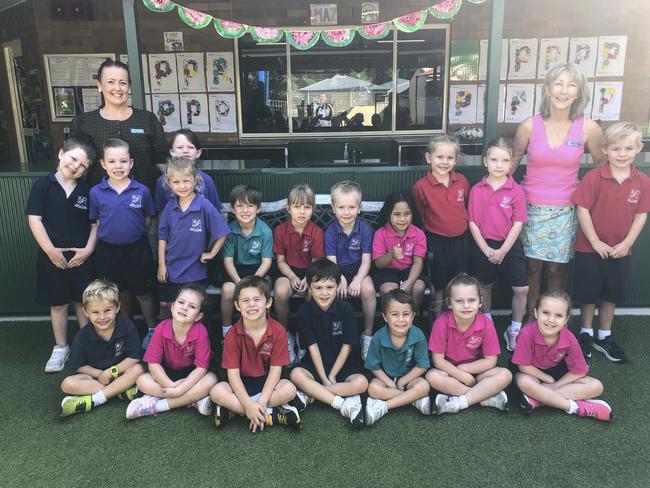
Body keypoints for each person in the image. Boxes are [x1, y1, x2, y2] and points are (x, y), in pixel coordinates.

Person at [512, 63, 605, 319]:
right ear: (547, 89)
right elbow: (511, 164)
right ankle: (530, 321)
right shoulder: (529, 126)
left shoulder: (588, 128)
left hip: (565, 210)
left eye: (571, 85)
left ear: (578, 93)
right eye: (558, 84)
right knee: (531, 268)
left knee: (556, 270)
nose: (564, 91)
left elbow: (602, 167)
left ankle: (553, 322)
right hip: (529, 208)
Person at [572, 122, 649, 362]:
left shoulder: (643, 181)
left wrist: (626, 244)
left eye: (628, 148)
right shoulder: (594, 177)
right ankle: (586, 333)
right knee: (588, 293)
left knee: (611, 294)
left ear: (638, 149)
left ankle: (604, 336)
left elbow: (641, 215)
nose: (622, 154)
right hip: (589, 248)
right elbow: (582, 210)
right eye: (616, 149)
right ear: (605, 149)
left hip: (620, 250)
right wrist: (594, 241)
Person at [26, 135, 98, 372]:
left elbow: (95, 225)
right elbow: (34, 220)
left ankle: (88, 345)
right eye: (73, 158)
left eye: (83, 165)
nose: (75, 166)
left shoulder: (88, 191)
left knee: (82, 303)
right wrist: (50, 250)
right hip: (51, 257)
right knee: (58, 304)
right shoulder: (42, 186)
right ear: (61, 153)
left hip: (81, 258)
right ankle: (60, 348)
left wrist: (88, 250)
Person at [210, 276, 301, 431]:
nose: (251, 304)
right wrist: (248, 405)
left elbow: (275, 371)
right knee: (216, 392)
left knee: (289, 390)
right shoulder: (232, 334)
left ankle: (236, 411)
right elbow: (233, 375)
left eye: (257, 299)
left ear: (268, 302)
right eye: (245, 301)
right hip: (241, 382)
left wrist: (263, 401)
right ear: (237, 306)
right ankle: (271, 415)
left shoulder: (278, 330)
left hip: (268, 382)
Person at [289, 259, 369, 427]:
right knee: (295, 375)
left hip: (341, 365)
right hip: (315, 365)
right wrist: (324, 377)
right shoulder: (304, 311)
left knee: (362, 382)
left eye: (330, 287)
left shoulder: (345, 308)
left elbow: (347, 346)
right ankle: (338, 401)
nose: (324, 293)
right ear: (310, 288)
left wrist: (332, 375)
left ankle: (312, 394)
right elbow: (312, 346)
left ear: (337, 286)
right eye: (318, 288)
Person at [89, 139, 157, 336]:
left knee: (143, 292)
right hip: (108, 251)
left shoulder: (142, 190)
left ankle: (152, 328)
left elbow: (147, 219)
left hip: (137, 249)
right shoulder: (96, 192)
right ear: (103, 164)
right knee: (117, 293)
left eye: (123, 161)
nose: (118, 166)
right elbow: (96, 221)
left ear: (131, 163)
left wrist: (131, 235)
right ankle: (125, 329)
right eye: (112, 161)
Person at [512, 290, 612, 421]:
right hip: (531, 373)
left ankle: (536, 399)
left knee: (596, 386)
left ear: (566, 319)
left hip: (557, 374)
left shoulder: (569, 338)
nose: (551, 320)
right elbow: (524, 367)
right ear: (536, 313)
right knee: (523, 382)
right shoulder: (526, 333)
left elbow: (579, 371)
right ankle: (576, 407)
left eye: (558, 315)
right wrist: (549, 380)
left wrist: (557, 385)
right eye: (545, 313)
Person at [468, 138, 529, 351]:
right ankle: (487, 325)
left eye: (504, 160)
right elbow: (473, 223)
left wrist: (503, 250)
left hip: (509, 244)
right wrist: (486, 249)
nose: (499, 165)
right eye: (494, 159)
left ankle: (514, 329)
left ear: (511, 163)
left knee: (521, 289)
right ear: (485, 161)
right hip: (483, 244)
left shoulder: (516, 190)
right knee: (484, 287)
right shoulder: (477, 189)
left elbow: (518, 223)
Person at [70, 59, 168, 192]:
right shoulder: (84, 122)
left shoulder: (147, 119)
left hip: (145, 204)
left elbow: (162, 160)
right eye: (110, 82)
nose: (117, 88)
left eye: (123, 83)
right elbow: (75, 163)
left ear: (129, 86)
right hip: (101, 205)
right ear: (99, 85)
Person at [126, 285, 218, 419]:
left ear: (198, 316)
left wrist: (179, 390)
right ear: (172, 306)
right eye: (181, 302)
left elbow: (201, 368)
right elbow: (153, 364)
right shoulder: (161, 329)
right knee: (141, 381)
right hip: (168, 373)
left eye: (192, 306)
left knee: (211, 381)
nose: (184, 308)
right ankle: (194, 400)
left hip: (193, 374)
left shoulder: (200, 332)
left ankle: (157, 406)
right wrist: (171, 386)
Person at [426, 273, 512, 414]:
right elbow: (438, 361)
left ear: (480, 302)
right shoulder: (441, 323)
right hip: (449, 372)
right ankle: (484, 397)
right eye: (459, 301)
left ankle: (460, 401)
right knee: (432, 377)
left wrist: (464, 370)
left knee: (505, 375)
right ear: (449, 303)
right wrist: (460, 375)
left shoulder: (486, 323)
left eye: (471, 300)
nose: (466, 306)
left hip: (477, 372)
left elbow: (490, 361)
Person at [59, 280, 144, 417]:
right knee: (67, 384)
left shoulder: (126, 326)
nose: (102, 317)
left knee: (138, 370)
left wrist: (111, 372)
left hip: (121, 373)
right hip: (96, 378)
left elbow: (135, 356)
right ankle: (121, 392)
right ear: (85, 312)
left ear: (117, 308)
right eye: (95, 312)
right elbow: (77, 365)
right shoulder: (83, 336)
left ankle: (94, 400)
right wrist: (100, 374)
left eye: (107, 310)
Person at [157, 157, 229, 315]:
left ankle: (196, 339)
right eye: (176, 182)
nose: (182, 186)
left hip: (194, 270)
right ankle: (168, 339)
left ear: (195, 180)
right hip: (171, 267)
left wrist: (211, 253)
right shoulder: (170, 206)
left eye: (186, 181)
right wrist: (162, 264)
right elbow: (162, 236)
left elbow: (222, 232)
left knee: (192, 308)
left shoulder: (203, 205)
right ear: (169, 183)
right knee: (166, 305)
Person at [412, 134, 470, 318]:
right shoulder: (421, 187)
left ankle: (457, 322)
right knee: (438, 285)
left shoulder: (461, 181)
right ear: (429, 158)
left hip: (461, 241)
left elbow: (466, 206)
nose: (444, 162)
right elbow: (419, 214)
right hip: (436, 241)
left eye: (450, 158)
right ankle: (437, 325)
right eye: (439, 157)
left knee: (459, 283)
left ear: (456, 159)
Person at [324, 181, 376, 359]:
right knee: (329, 290)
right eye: (341, 207)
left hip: (359, 270)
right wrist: (341, 279)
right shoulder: (331, 231)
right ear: (333, 207)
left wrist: (357, 280)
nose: (346, 212)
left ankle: (367, 335)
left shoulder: (365, 229)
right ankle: (332, 336)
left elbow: (366, 260)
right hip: (336, 271)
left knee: (368, 289)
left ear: (359, 208)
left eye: (351, 207)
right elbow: (331, 262)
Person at [363, 289, 431, 425]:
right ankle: (414, 400)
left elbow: (422, 365)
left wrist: (402, 382)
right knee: (373, 389)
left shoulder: (418, 335)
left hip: (410, 378)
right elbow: (373, 366)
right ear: (385, 317)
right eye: (394, 314)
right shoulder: (378, 337)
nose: (401, 320)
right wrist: (390, 383)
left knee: (424, 386)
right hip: (386, 378)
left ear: (412, 317)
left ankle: (384, 406)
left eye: (406, 314)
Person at [273, 183, 324, 360]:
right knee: (280, 291)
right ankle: (284, 336)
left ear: (313, 209)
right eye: (296, 206)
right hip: (288, 271)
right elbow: (280, 261)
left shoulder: (316, 232)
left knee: (313, 291)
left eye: (307, 207)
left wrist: (307, 278)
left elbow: (317, 261)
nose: (302, 212)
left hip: (311, 271)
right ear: (288, 208)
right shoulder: (281, 230)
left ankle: (305, 337)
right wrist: (293, 276)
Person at [221, 185, 273, 339]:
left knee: (262, 291)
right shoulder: (229, 231)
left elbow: (266, 262)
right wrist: (239, 282)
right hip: (235, 270)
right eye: (240, 206)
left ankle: (263, 329)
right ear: (232, 209)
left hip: (258, 270)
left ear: (258, 209)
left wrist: (253, 281)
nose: (245, 210)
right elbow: (228, 261)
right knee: (228, 290)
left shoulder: (265, 231)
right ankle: (226, 329)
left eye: (250, 206)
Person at [372, 191, 428, 312]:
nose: (402, 219)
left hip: (411, 271)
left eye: (407, 214)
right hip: (388, 271)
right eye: (397, 214)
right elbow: (378, 263)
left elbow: (418, 262)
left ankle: (410, 318)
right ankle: (393, 321)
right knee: (389, 292)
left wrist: (410, 281)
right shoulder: (381, 234)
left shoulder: (419, 234)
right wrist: (391, 255)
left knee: (418, 287)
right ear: (388, 215)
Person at [153, 129, 222, 213]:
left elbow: (215, 211)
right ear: (171, 151)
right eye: (180, 147)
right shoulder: (162, 181)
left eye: (190, 147)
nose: (185, 151)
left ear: (198, 153)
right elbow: (161, 212)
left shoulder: (206, 180)